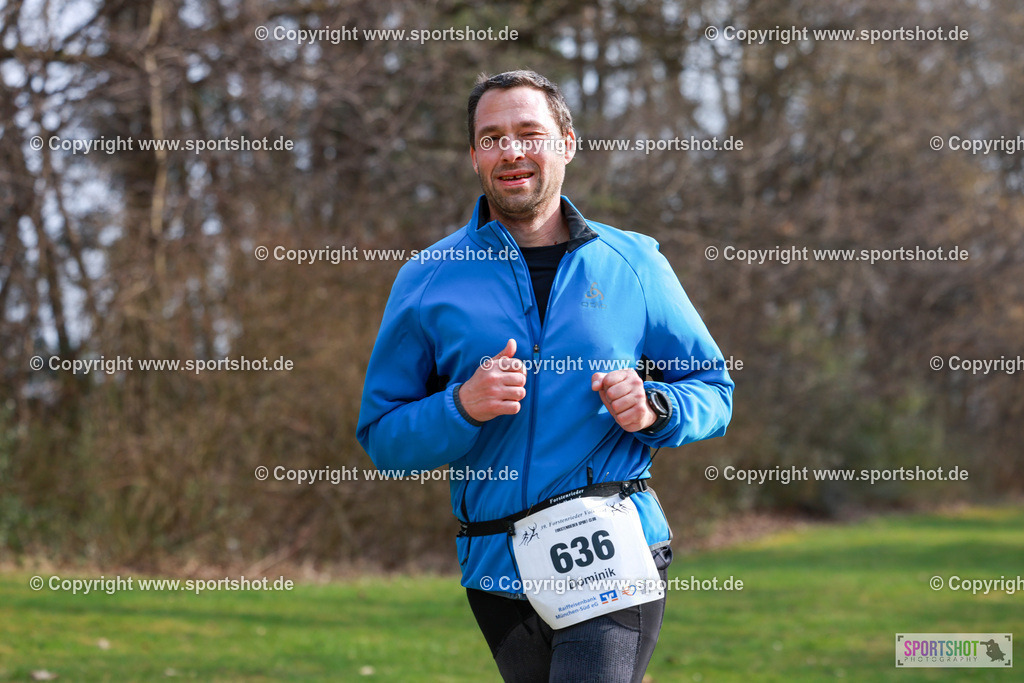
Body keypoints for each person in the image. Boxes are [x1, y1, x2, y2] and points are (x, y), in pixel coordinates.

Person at [357, 69, 733, 682]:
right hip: (496, 562)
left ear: (566, 143)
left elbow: (714, 390)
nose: (511, 151)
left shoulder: (634, 263)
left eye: (528, 133)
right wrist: (462, 407)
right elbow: (383, 436)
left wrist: (655, 409)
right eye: (492, 137)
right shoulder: (427, 278)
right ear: (474, 155)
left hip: (612, 546)